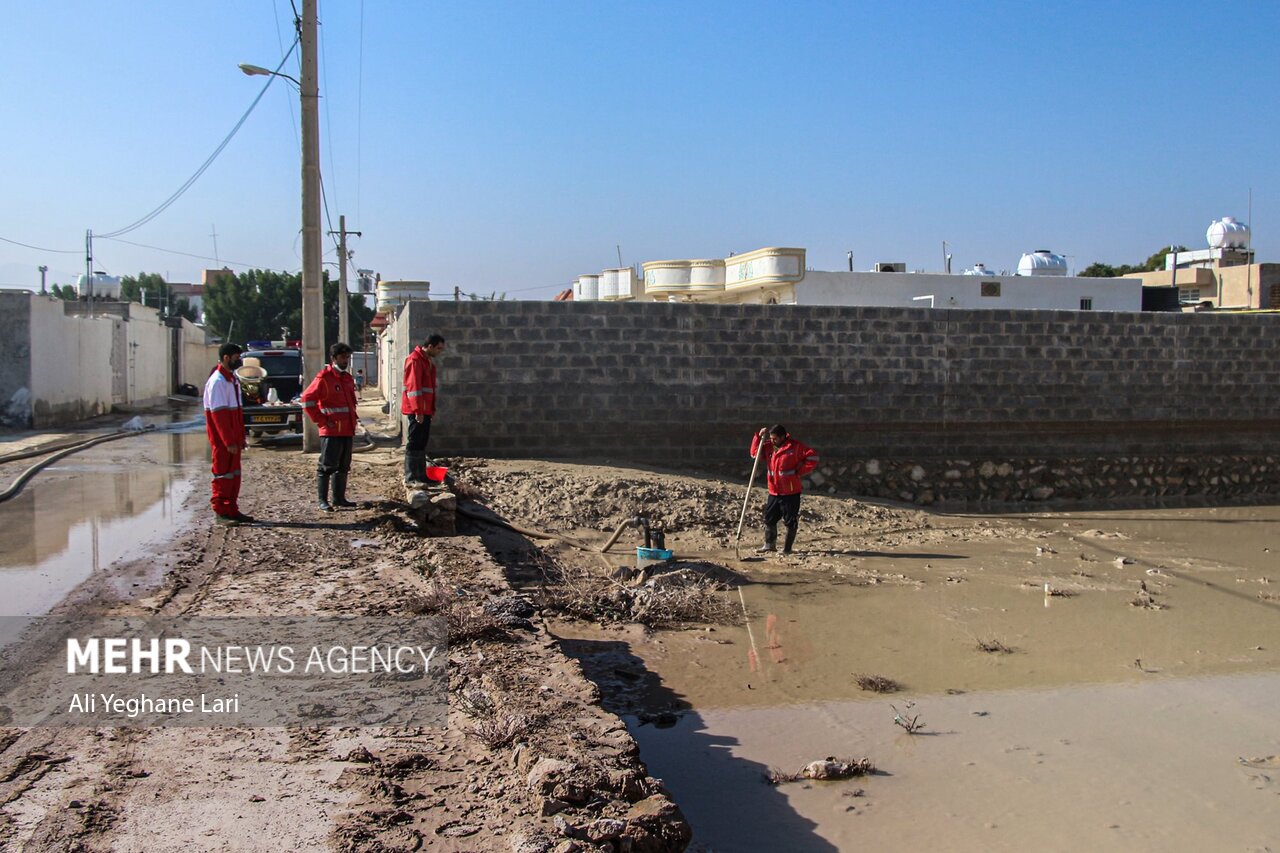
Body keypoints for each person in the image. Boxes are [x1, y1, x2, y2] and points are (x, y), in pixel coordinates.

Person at [301, 342, 360, 512]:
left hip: (347, 429)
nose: (345, 360)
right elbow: (307, 400)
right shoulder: (324, 378)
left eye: (347, 357)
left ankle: (339, 499)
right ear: (333, 358)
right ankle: (322, 500)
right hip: (332, 430)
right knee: (327, 466)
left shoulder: (347, 378)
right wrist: (321, 420)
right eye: (342, 357)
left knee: (343, 466)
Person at [749, 424, 819, 555]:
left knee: (790, 521)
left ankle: (787, 549)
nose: (773, 440)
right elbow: (754, 454)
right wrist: (758, 438)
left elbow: (813, 457)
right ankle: (769, 545)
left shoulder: (795, 447)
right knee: (769, 519)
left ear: (783, 437)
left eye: (775, 438)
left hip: (790, 492)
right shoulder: (768, 446)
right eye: (771, 438)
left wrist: (799, 471)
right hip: (774, 491)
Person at [203, 343, 254, 525]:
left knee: (234, 475)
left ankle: (232, 509)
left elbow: (236, 413)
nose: (238, 360)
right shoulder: (217, 382)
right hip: (223, 442)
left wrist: (240, 437)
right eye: (236, 357)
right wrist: (228, 441)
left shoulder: (231, 380)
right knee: (223, 475)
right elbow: (219, 416)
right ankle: (221, 512)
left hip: (233, 440)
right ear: (226, 357)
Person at [401, 334, 446, 484]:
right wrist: (418, 411)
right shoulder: (415, 360)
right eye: (439, 348)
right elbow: (414, 388)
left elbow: (429, 389)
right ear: (430, 346)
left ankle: (421, 476)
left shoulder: (427, 361)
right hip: (418, 410)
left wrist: (429, 410)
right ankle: (412, 477)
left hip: (425, 409)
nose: (440, 351)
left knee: (422, 442)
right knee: (414, 442)